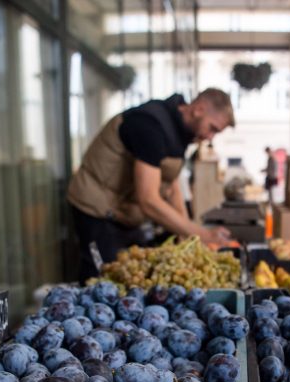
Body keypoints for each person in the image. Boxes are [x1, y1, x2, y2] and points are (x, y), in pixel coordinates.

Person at [67, 88, 234, 282]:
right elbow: (148, 200)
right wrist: (201, 233)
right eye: (212, 128)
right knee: (101, 279)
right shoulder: (150, 125)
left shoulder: (180, 132)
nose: (210, 137)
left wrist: (188, 233)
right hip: (95, 209)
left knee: (133, 276)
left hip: (124, 214)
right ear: (199, 109)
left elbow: (171, 185)